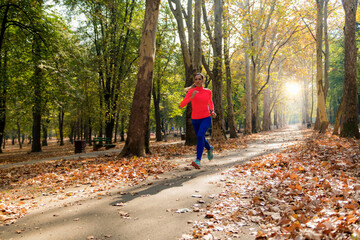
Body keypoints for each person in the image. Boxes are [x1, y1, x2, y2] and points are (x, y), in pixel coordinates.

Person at [180, 73, 217, 169]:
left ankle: (198, 160)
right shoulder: (191, 91)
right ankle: (209, 148)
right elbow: (182, 105)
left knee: (200, 136)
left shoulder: (208, 91)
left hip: (206, 117)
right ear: (194, 81)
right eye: (196, 79)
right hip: (195, 119)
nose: (197, 81)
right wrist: (191, 97)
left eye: (199, 79)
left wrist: (212, 110)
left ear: (203, 80)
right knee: (200, 137)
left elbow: (210, 102)